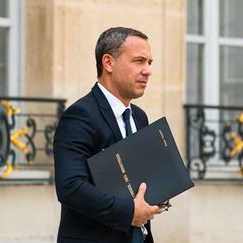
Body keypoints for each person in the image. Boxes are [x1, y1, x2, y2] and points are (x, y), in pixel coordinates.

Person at [53, 27, 161, 242]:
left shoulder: (140, 117)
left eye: (149, 62)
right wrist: (129, 212)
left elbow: (138, 182)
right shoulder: (80, 115)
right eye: (139, 61)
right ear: (109, 63)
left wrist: (158, 192)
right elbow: (70, 188)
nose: (147, 70)